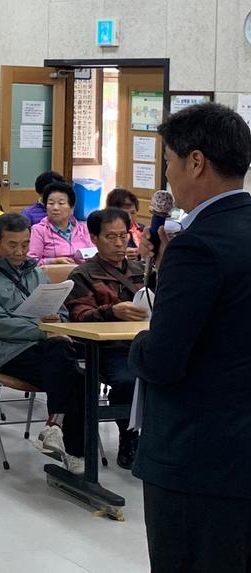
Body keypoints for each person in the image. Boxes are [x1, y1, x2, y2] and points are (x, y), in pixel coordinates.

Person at [128, 102, 251, 572]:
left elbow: (163, 360)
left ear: (196, 161)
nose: (167, 176)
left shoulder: (197, 245)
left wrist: (138, 344)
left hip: (198, 456)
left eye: (168, 162)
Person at [0, 213, 85, 474]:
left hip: (49, 349)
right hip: (11, 353)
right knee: (76, 376)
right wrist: (43, 331)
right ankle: (71, 446)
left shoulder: (36, 272)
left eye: (25, 244)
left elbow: (62, 312)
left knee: (73, 369)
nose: (20, 252)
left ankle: (56, 431)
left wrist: (56, 321)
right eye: (12, 245)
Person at [64, 208, 144, 469]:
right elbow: (79, 317)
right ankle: (129, 437)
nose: (120, 243)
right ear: (94, 238)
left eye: (123, 236)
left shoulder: (142, 270)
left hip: (145, 343)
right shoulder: (83, 275)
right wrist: (112, 311)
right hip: (108, 349)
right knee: (128, 380)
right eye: (111, 237)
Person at [27, 181, 94, 265]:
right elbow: (31, 262)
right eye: (51, 203)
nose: (55, 208)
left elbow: (94, 255)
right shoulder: (39, 230)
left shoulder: (84, 229)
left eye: (61, 203)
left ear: (72, 208)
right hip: (52, 272)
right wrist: (52, 261)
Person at [106, 187, 144, 259]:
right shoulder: (105, 233)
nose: (129, 218)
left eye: (133, 213)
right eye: (125, 214)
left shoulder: (143, 230)